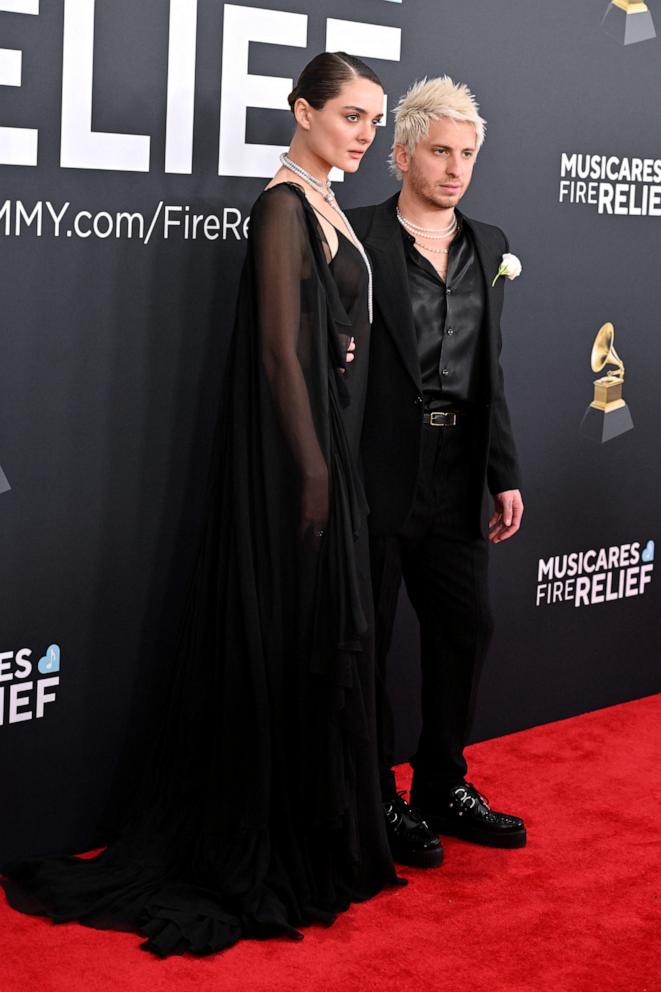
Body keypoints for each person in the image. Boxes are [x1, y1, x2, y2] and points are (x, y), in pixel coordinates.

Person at [1, 53, 401, 957]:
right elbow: (272, 352)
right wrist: (308, 472)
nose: (365, 133)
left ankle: (315, 831)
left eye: (374, 118)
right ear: (301, 112)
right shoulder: (283, 207)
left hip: (325, 445)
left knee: (319, 637)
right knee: (288, 631)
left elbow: (323, 333)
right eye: (349, 115)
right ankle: (261, 837)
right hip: (291, 459)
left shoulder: (325, 203)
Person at [348, 76, 526, 869]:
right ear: (401, 154)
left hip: (458, 470)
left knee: (466, 626)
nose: (455, 169)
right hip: (378, 469)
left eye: (466, 155)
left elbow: (488, 368)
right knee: (371, 636)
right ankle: (373, 789)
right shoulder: (356, 239)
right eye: (439, 152)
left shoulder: (488, 244)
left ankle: (441, 783)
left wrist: (502, 473)